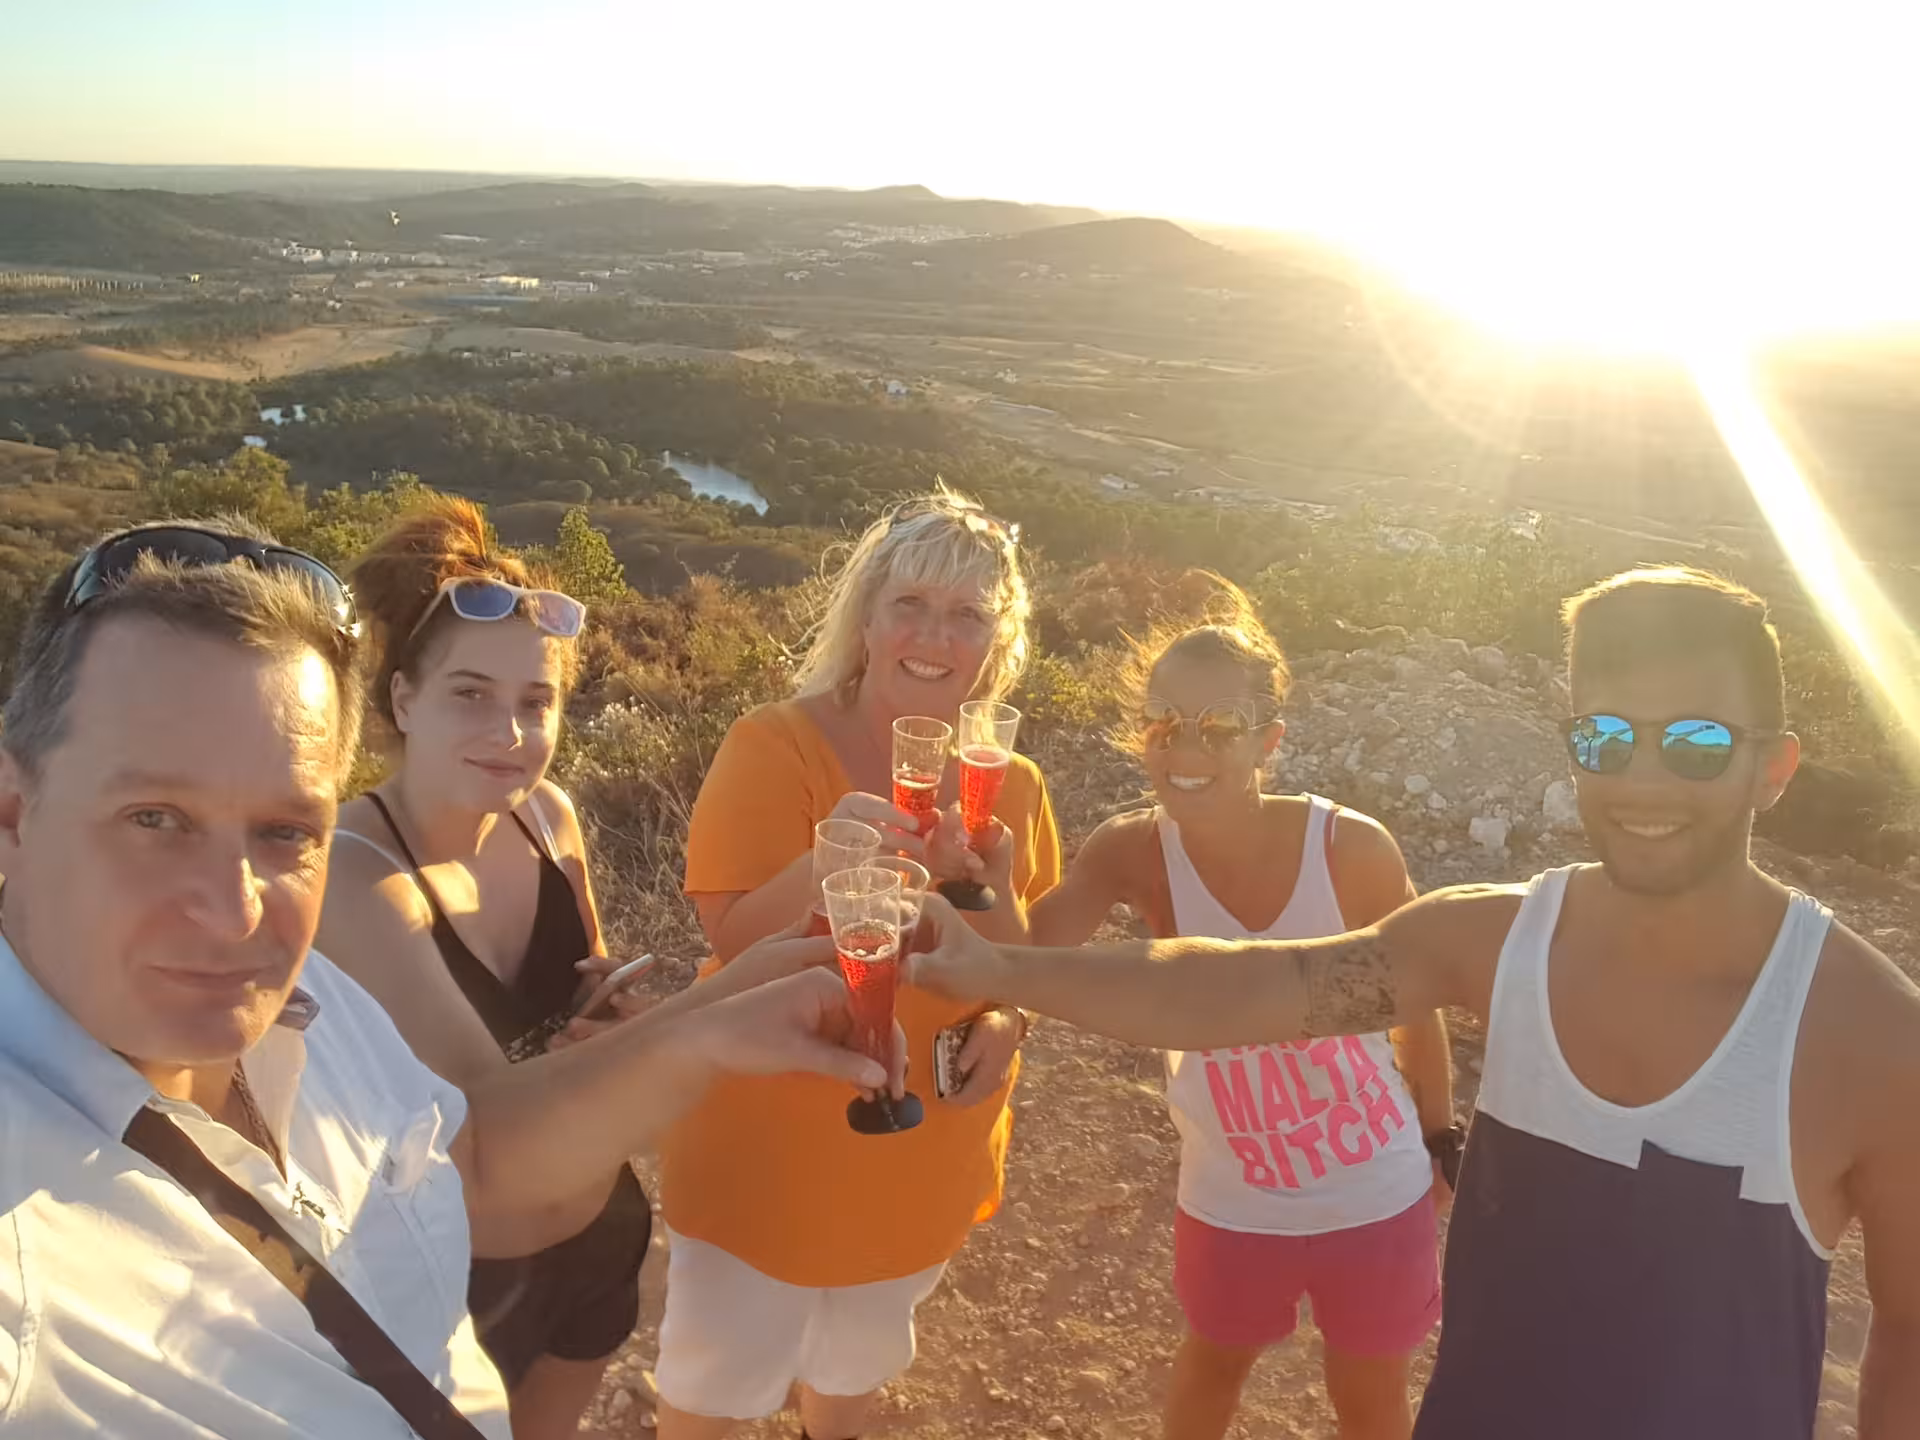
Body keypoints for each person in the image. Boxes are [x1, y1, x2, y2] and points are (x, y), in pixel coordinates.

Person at [911, 566, 1920, 1440]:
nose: (1642, 778)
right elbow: (1246, 986)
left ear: (1774, 767)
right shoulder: (1490, 941)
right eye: (1606, 737)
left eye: (1696, 743)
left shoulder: (1874, 1040)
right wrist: (999, 971)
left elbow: (1909, 1335)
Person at [0, 519, 901, 1438]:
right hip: (510, 1272)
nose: (235, 914)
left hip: (584, 1231)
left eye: (284, 832)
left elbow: (473, 1155)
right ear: (11, 813)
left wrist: (716, 1015)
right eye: (155, 818)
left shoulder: (315, 1004)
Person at [655, 488, 1062, 1440]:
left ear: (994, 643)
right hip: (770, 1149)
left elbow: (1018, 963)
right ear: (868, 619)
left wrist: (1007, 1019)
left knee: (854, 1372)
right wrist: (825, 856)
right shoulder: (778, 743)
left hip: (921, 1147)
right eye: (910, 606)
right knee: (714, 1389)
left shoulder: (1014, 785)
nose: (933, 636)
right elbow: (730, 940)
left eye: (966, 615)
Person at [1025, 578, 1452, 1440]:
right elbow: (1023, 961)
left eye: (1218, 728)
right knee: (1211, 1372)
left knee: (1368, 1401)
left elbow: (1418, 1005)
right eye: (1163, 724)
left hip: (1372, 1190)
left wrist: (1443, 1138)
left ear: (1268, 742)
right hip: (1229, 1197)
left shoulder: (1349, 853)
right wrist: (974, 868)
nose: (1186, 747)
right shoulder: (1133, 851)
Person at [314, 496, 649, 1440]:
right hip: (455, 1283)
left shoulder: (549, 818)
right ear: (402, 699)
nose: (511, 734)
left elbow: (584, 980)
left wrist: (607, 1013)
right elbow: (485, 1115)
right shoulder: (355, 874)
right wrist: (705, 1035)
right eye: (471, 694)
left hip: (598, 1225)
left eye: (535, 703)